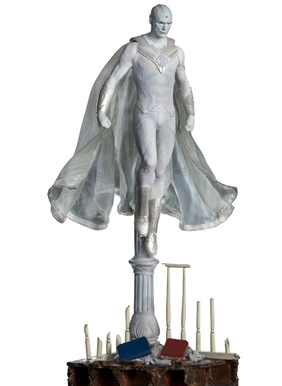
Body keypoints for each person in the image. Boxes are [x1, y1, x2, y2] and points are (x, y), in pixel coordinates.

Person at [48, 4, 237, 257]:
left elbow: (184, 86)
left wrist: (191, 113)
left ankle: (153, 229)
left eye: (168, 24)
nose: (164, 27)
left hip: (168, 116)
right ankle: (143, 215)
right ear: (151, 20)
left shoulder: (177, 53)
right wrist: (101, 111)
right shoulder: (135, 49)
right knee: (149, 162)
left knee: (162, 169)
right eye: (160, 22)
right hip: (144, 113)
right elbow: (113, 79)